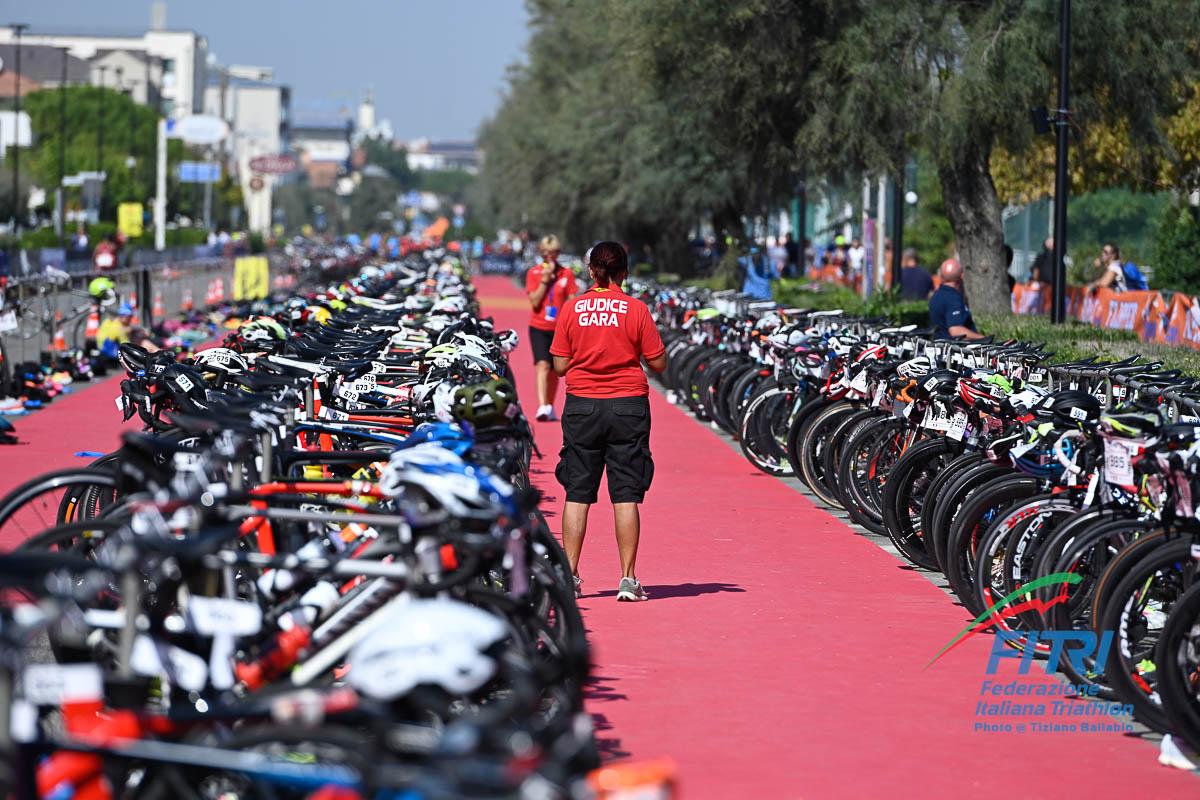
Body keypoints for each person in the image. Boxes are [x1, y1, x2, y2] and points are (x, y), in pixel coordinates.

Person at [549, 241, 666, 602]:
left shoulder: (573, 308)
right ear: (624, 272)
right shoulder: (636, 310)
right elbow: (658, 363)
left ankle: (570, 575)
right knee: (626, 494)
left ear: (591, 271)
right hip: (628, 406)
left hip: (582, 405)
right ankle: (628, 579)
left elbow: (559, 365)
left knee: (577, 491)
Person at [525, 234, 578, 421]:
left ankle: (550, 404)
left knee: (556, 370)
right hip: (538, 327)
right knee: (542, 365)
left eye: (554, 253)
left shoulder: (567, 274)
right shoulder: (534, 273)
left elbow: (572, 301)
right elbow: (534, 301)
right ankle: (542, 406)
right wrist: (545, 281)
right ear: (541, 252)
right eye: (546, 253)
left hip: (559, 329)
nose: (549, 256)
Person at [929, 258, 985, 340]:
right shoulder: (953, 298)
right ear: (962, 275)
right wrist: (984, 339)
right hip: (955, 349)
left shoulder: (936, 296)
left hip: (940, 347)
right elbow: (956, 331)